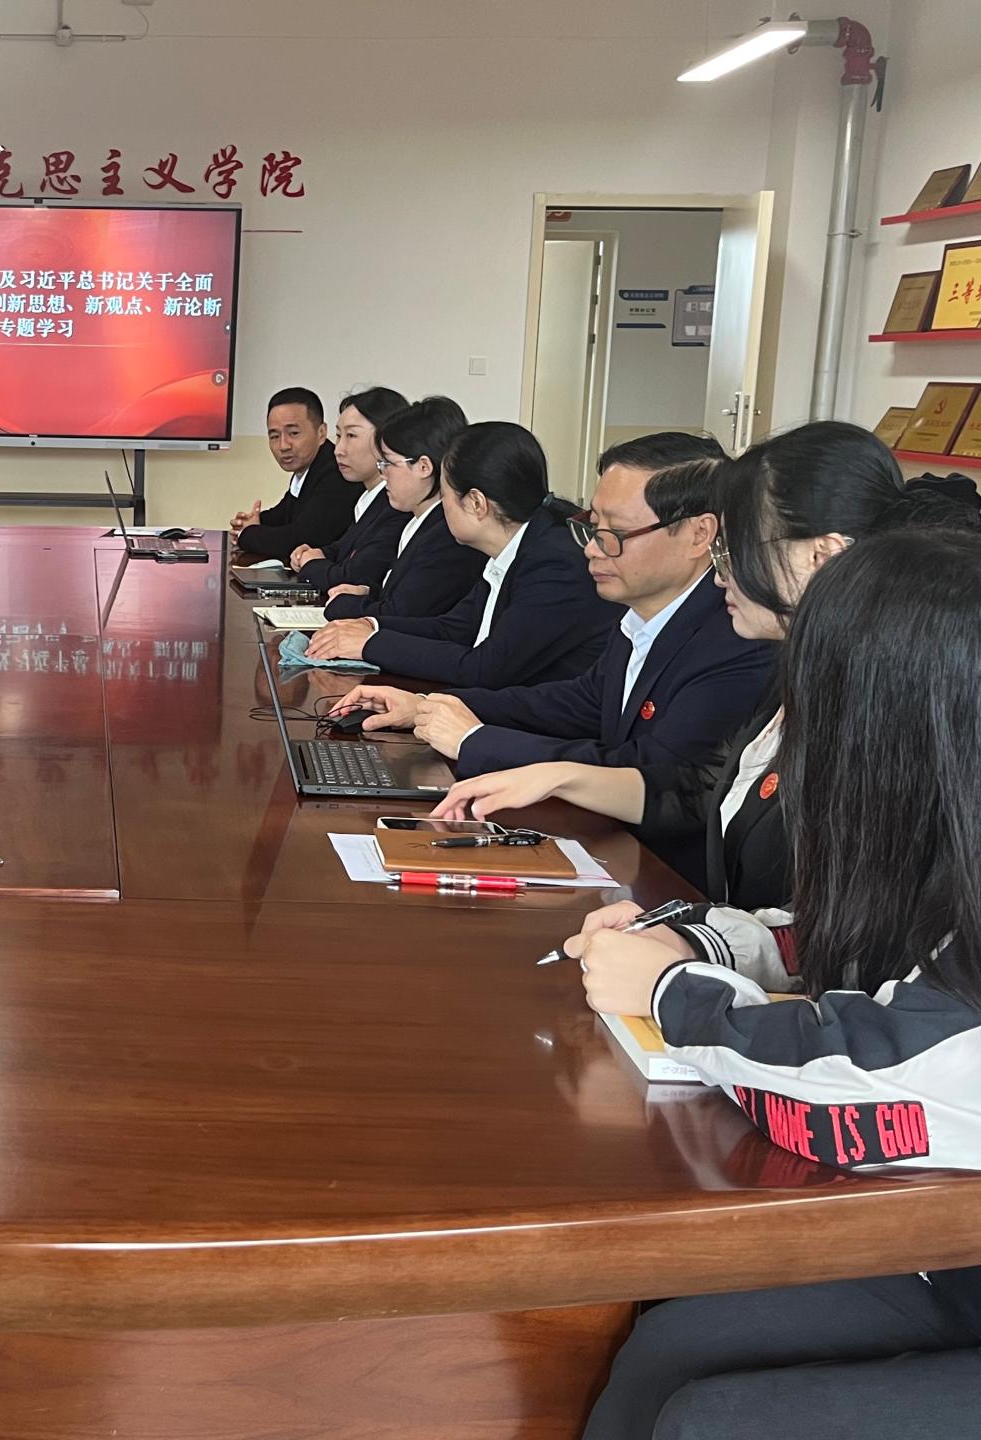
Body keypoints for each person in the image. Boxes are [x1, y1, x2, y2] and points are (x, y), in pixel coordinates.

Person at [564, 528, 981, 1440]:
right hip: (950, 1258)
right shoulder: (952, 840)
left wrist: (675, 994)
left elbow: (870, 1076)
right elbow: (858, 947)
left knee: (714, 1418)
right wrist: (693, 939)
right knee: (668, 1348)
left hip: (952, 1256)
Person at [429, 423, 977, 905]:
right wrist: (561, 775)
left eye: (736, 549)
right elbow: (696, 791)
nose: (721, 574)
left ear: (822, 555)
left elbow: (850, 928)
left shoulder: (867, 705)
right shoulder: (801, 673)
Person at [341, 442, 774, 873]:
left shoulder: (735, 638)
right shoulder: (641, 616)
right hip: (616, 847)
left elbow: (653, 776)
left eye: (615, 534)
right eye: (592, 527)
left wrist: (477, 740)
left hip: (671, 873)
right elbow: (579, 702)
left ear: (699, 534)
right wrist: (428, 706)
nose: (592, 549)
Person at [305, 421, 616, 685]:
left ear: (476, 503)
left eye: (446, 493)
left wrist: (371, 644)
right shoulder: (516, 547)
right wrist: (370, 625)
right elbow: (454, 628)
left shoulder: (555, 563)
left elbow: (485, 668)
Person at [303, 395, 474, 619]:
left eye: (388, 463)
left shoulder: (446, 534)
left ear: (424, 467)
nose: (383, 474)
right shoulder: (419, 521)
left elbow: (405, 613)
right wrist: (369, 593)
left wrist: (346, 604)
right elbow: (405, 595)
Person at [231, 386, 405, 558]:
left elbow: (305, 538)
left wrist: (248, 533)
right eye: (274, 436)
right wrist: (252, 522)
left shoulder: (338, 474)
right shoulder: (310, 469)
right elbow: (285, 514)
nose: (283, 446)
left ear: (321, 433)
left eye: (294, 433)